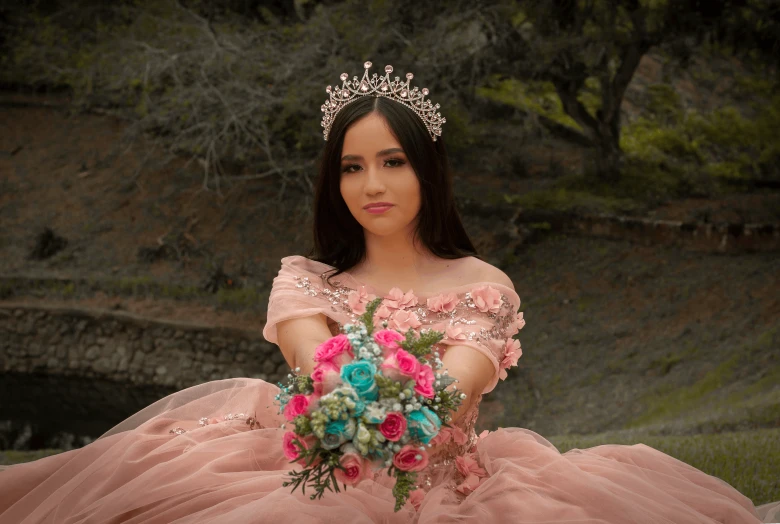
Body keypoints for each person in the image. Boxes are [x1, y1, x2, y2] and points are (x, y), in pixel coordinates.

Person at [0, 61, 777, 524]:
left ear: (427, 170)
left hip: (443, 480)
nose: (371, 184)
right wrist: (344, 409)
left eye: (393, 162)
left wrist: (381, 404)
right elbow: (316, 373)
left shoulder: (484, 286)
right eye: (351, 166)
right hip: (304, 462)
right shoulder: (304, 279)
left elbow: (444, 401)